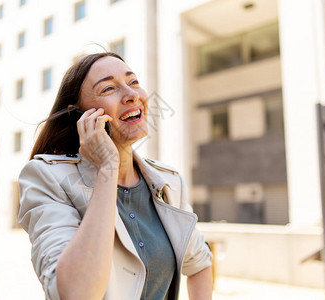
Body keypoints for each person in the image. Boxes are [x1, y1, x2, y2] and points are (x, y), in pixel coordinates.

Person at [18, 52, 213, 300]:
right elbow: (75, 294)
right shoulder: (46, 178)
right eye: (109, 88)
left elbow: (201, 263)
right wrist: (107, 168)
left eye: (133, 82)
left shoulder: (169, 182)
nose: (132, 95)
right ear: (79, 115)